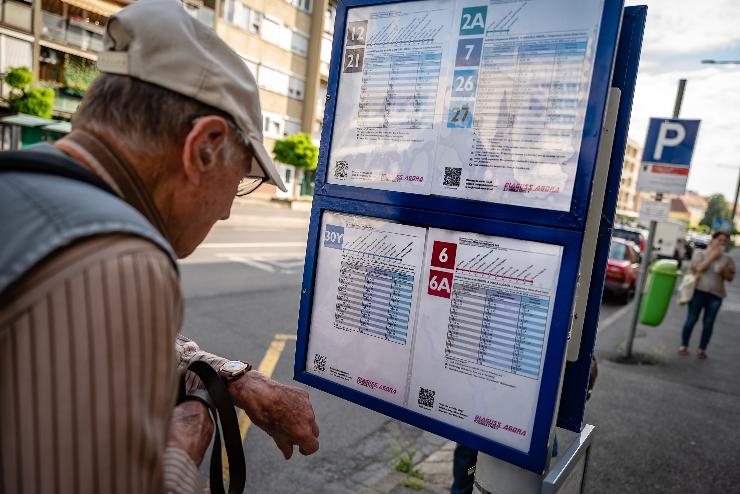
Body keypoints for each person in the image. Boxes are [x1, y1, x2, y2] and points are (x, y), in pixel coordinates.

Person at [0, 1, 319, 492]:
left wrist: (230, 379)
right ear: (204, 146)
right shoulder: (121, 258)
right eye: (237, 183)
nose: (227, 212)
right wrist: (184, 441)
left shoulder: (23, 184)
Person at [679, 231, 735, 358]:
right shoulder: (700, 254)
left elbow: (730, 277)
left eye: (724, 241)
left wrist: (724, 271)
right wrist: (712, 257)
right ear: (713, 240)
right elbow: (698, 269)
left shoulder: (727, 259)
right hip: (698, 291)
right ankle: (684, 345)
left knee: (709, 323)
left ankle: (702, 349)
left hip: (716, 295)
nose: (721, 243)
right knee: (691, 319)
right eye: (719, 240)